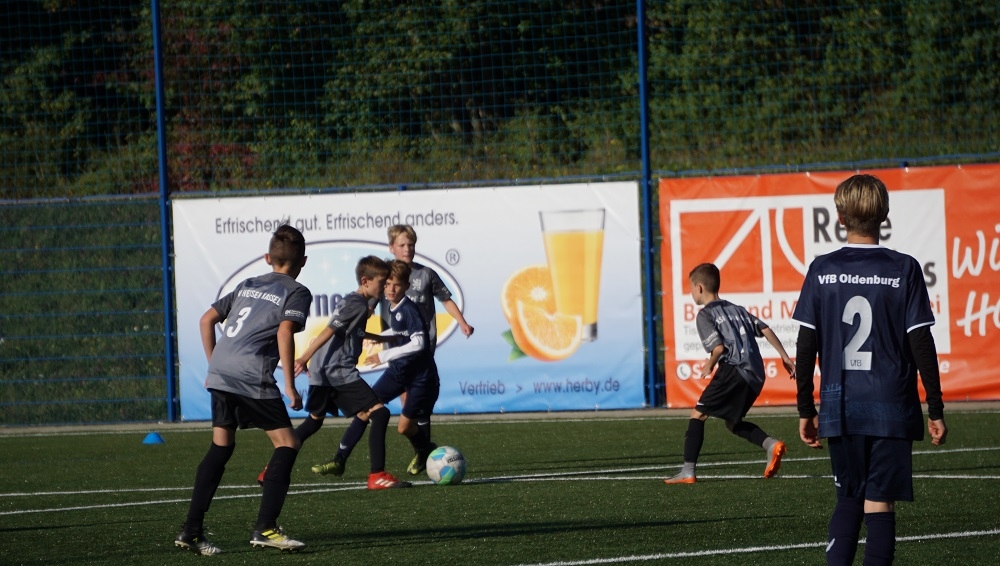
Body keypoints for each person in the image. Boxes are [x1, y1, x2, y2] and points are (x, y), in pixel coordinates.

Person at [792, 173, 947, 565]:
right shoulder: (904, 268)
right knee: (879, 503)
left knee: (848, 498)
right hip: (891, 405)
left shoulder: (822, 269)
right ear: (885, 215)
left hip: (841, 404)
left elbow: (806, 344)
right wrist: (936, 408)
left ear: (840, 217)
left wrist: (806, 408)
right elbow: (921, 342)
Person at [174, 224, 311, 555]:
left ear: (267, 257)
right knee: (288, 442)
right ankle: (266, 528)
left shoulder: (247, 284)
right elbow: (284, 332)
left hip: (221, 370)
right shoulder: (297, 291)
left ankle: (191, 531)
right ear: (303, 261)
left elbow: (206, 319)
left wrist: (214, 365)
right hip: (251, 373)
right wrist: (290, 385)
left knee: (220, 447)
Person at [664, 262, 795, 485]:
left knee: (698, 415)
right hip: (756, 374)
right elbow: (765, 328)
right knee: (733, 423)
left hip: (734, 368)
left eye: (691, 287)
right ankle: (771, 445)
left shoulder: (705, 314)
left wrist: (709, 365)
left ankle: (687, 471)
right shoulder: (737, 309)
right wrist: (784, 357)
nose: (691, 292)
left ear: (699, 288)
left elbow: (719, 348)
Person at [289, 255, 411, 490]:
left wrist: (381, 338)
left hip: (323, 371)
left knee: (314, 422)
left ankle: (271, 468)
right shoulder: (357, 305)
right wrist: (304, 357)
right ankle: (377, 476)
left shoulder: (353, 301)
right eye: (382, 282)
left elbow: (351, 332)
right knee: (380, 414)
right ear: (365, 281)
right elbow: (329, 330)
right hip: (338, 371)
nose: (385, 287)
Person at [311, 260, 440, 477]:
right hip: (398, 372)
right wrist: (377, 337)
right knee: (366, 410)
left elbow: (419, 343)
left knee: (404, 428)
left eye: (396, 285)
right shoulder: (391, 306)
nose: (390, 289)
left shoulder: (409, 309)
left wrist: (383, 355)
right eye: (387, 284)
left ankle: (424, 450)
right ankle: (339, 460)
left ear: (406, 286)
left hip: (420, 377)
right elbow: (401, 333)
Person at [383, 224, 473, 476]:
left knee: (417, 400)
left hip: (421, 349)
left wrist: (462, 322)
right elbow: (369, 302)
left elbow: (445, 299)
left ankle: (424, 453)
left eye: (410, 244)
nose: (407, 249)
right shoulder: (385, 276)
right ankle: (423, 450)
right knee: (407, 405)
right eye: (402, 245)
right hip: (396, 348)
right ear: (391, 248)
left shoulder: (426, 275)